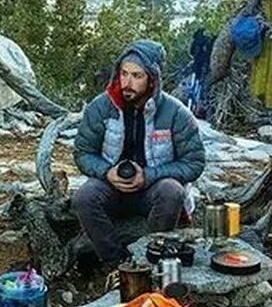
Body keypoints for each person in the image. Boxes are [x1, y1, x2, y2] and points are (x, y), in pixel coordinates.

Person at [72, 39, 206, 270]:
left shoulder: (175, 113)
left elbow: (194, 162)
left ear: (152, 79)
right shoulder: (101, 107)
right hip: (111, 187)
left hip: (152, 190)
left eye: (137, 76)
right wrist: (107, 172)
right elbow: (83, 152)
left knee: (172, 191)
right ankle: (115, 265)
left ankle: (149, 261)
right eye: (124, 74)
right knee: (84, 197)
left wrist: (150, 175)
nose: (127, 83)